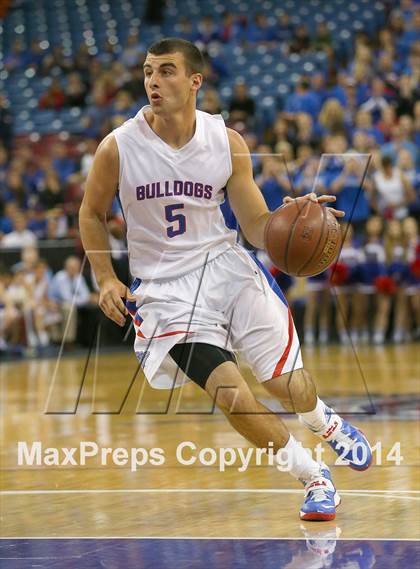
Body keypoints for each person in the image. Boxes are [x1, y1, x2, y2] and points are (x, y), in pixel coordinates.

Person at [79, 38, 372, 522]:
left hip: (226, 269)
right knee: (231, 395)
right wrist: (107, 278)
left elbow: (255, 225)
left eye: (167, 71)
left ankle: (325, 421)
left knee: (287, 385)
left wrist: (292, 215)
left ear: (195, 81)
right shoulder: (118, 146)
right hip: (164, 293)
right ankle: (314, 477)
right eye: (149, 72)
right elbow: (90, 214)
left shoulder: (226, 141)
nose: (153, 81)